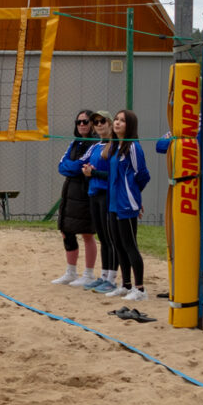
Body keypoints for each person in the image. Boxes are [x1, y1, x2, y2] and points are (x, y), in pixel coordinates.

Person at [101, 110, 150, 302]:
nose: (117, 123)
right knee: (118, 245)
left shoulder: (133, 147)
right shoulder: (115, 146)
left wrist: (135, 197)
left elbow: (143, 174)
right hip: (113, 202)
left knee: (130, 246)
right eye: (116, 119)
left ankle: (140, 289)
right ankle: (126, 285)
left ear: (130, 125)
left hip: (126, 203)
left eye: (122, 120)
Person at [51, 110, 102, 286]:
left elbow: (79, 165)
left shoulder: (96, 144)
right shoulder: (74, 142)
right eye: (78, 122)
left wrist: (72, 168)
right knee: (66, 230)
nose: (81, 124)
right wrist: (72, 168)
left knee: (87, 233)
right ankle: (71, 272)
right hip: (70, 192)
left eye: (85, 121)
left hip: (85, 193)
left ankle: (88, 274)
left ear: (92, 124)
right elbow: (62, 166)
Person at [79, 119, 118, 293]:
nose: (99, 125)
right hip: (94, 193)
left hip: (106, 194)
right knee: (102, 237)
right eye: (96, 122)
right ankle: (103, 276)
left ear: (110, 124)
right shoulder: (95, 146)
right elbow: (85, 166)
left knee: (110, 238)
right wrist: (87, 171)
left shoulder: (115, 146)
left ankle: (111, 279)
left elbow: (113, 174)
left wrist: (93, 172)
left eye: (103, 121)